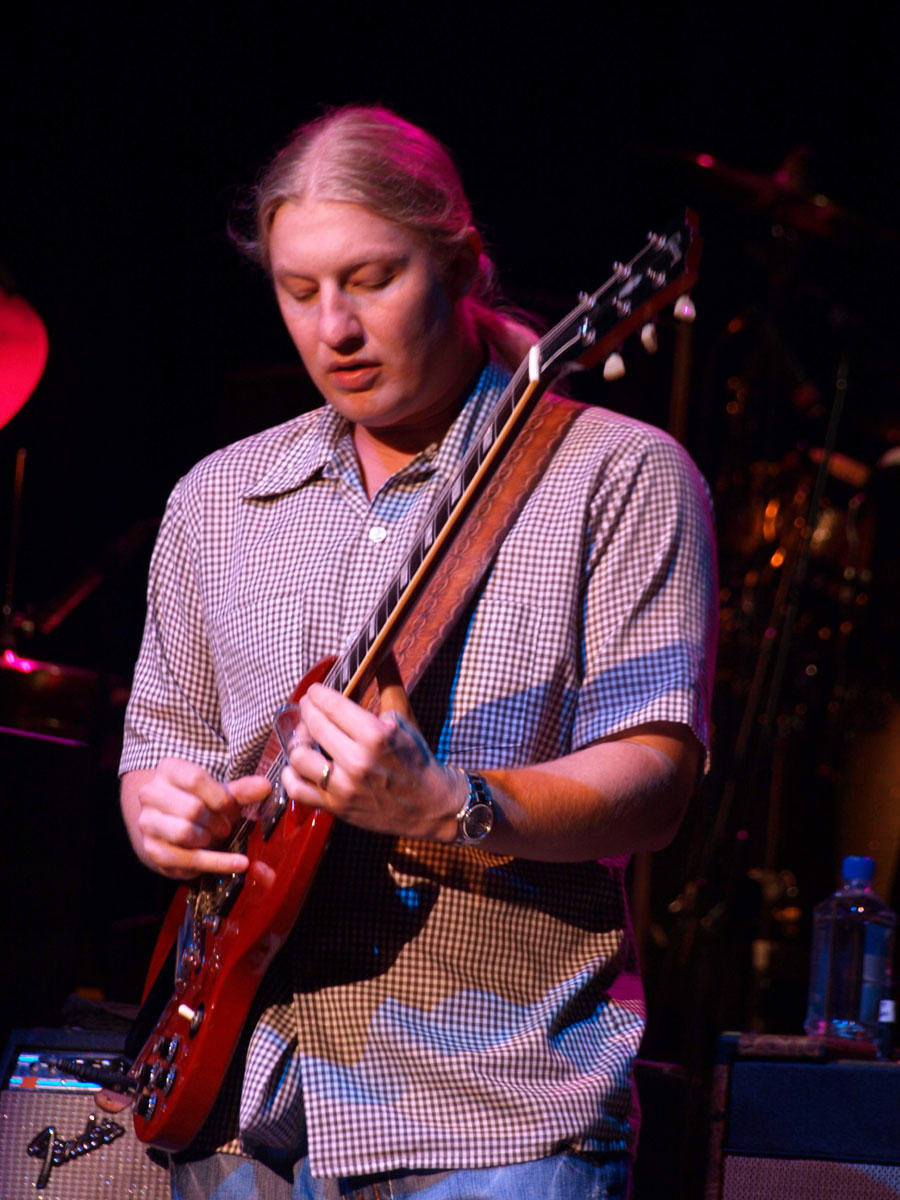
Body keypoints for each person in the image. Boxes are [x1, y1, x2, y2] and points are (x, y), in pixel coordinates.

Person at [119, 105, 718, 1200]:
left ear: (461, 261)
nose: (334, 327)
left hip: (494, 1115)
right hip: (239, 1095)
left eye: (372, 279)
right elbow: (161, 740)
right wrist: (161, 811)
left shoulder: (619, 475)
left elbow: (658, 780)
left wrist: (448, 802)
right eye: (299, 292)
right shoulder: (216, 499)